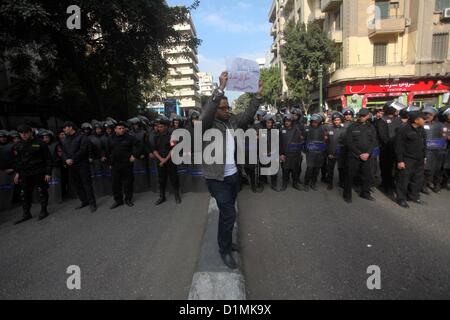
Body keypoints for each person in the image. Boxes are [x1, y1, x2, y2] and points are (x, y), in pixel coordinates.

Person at [200, 71, 263, 270]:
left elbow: (247, 116)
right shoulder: (208, 125)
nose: (227, 110)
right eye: (223, 108)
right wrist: (219, 89)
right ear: (216, 109)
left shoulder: (232, 122)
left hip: (233, 175)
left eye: (228, 107)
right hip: (216, 178)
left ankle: (226, 243)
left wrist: (257, 95)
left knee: (229, 212)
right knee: (228, 213)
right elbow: (206, 113)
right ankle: (224, 250)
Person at [12, 125, 52, 224]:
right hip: (25, 173)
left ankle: (44, 211)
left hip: (39, 171)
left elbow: (48, 159)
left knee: (42, 191)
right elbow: (17, 161)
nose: (24, 135)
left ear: (31, 132)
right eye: (21, 133)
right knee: (25, 194)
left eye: (26, 132)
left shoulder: (40, 143)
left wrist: (48, 172)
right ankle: (26, 214)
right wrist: (17, 173)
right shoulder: (18, 145)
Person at [61, 121, 97, 212]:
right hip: (71, 166)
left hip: (82, 164)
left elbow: (83, 150)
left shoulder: (82, 137)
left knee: (87, 184)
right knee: (77, 185)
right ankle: (84, 201)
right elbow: (62, 152)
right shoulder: (64, 139)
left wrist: (72, 159)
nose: (64, 130)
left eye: (65, 128)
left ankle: (92, 203)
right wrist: (66, 159)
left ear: (70, 127)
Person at [343, 108, 377, 203]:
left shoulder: (371, 127)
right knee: (350, 176)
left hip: (367, 156)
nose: (362, 118)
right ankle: (347, 195)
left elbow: (373, 142)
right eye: (360, 116)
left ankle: (365, 193)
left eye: (364, 116)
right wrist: (359, 154)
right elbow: (349, 142)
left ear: (367, 116)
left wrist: (368, 153)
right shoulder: (352, 127)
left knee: (367, 176)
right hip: (354, 156)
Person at [395, 112, 427, 208]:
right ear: (416, 120)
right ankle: (401, 198)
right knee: (404, 179)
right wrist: (400, 160)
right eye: (423, 119)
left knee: (417, 179)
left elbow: (424, 144)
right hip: (407, 159)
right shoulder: (403, 130)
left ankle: (414, 196)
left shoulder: (422, 130)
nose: (425, 120)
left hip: (419, 159)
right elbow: (398, 146)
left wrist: (424, 157)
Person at [106, 122, 138, 209]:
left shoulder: (130, 137)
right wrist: (109, 163)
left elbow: (138, 146)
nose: (122, 130)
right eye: (119, 128)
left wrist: (134, 155)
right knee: (115, 183)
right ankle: (118, 200)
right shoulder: (110, 138)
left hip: (127, 163)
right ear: (115, 129)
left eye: (123, 128)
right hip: (115, 164)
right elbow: (107, 151)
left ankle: (128, 199)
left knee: (128, 182)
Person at [152, 116, 181, 205]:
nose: (159, 128)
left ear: (166, 127)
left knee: (174, 178)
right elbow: (154, 149)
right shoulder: (155, 136)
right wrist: (161, 159)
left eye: (161, 126)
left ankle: (177, 195)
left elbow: (173, 149)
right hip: (160, 161)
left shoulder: (171, 136)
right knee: (161, 179)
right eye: (158, 126)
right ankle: (162, 196)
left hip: (170, 160)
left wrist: (165, 160)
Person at [376, 102, 403, 195]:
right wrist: (391, 145)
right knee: (386, 168)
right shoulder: (382, 120)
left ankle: (392, 183)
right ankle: (385, 185)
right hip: (386, 149)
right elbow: (383, 136)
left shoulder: (399, 119)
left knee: (395, 169)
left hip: (398, 148)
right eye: (395, 108)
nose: (397, 110)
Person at [422, 106, 447, 194]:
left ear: (434, 116)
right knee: (424, 170)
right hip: (424, 150)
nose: (428, 116)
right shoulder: (422, 124)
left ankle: (434, 184)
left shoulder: (440, 125)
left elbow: (443, 137)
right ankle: (423, 186)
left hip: (436, 151)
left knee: (435, 169)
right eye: (426, 114)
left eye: (430, 115)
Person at [280, 114, 304, 191]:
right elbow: (279, 143)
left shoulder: (297, 130)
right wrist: (281, 154)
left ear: (292, 122)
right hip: (285, 155)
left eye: (289, 121)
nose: (287, 122)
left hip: (295, 155)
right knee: (285, 170)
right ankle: (284, 184)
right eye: (286, 121)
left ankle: (295, 183)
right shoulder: (281, 130)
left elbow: (301, 141)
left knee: (295, 170)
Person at [304, 114, 328, 191]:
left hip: (319, 153)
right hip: (310, 153)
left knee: (317, 169)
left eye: (316, 122)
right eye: (313, 122)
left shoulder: (323, 129)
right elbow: (304, 140)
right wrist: (306, 149)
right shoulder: (307, 129)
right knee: (310, 168)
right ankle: (306, 184)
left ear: (319, 122)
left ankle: (313, 183)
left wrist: (325, 139)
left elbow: (325, 140)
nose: (314, 123)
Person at [325, 112, 346, 190]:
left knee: (341, 169)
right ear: (332, 121)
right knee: (330, 170)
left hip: (341, 154)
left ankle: (341, 182)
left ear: (341, 120)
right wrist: (328, 153)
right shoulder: (329, 129)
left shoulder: (344, 130)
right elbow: (326, 142)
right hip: (331, 154)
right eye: (335, 120)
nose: (336, 121)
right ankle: (330, 184)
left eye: (338, 120)